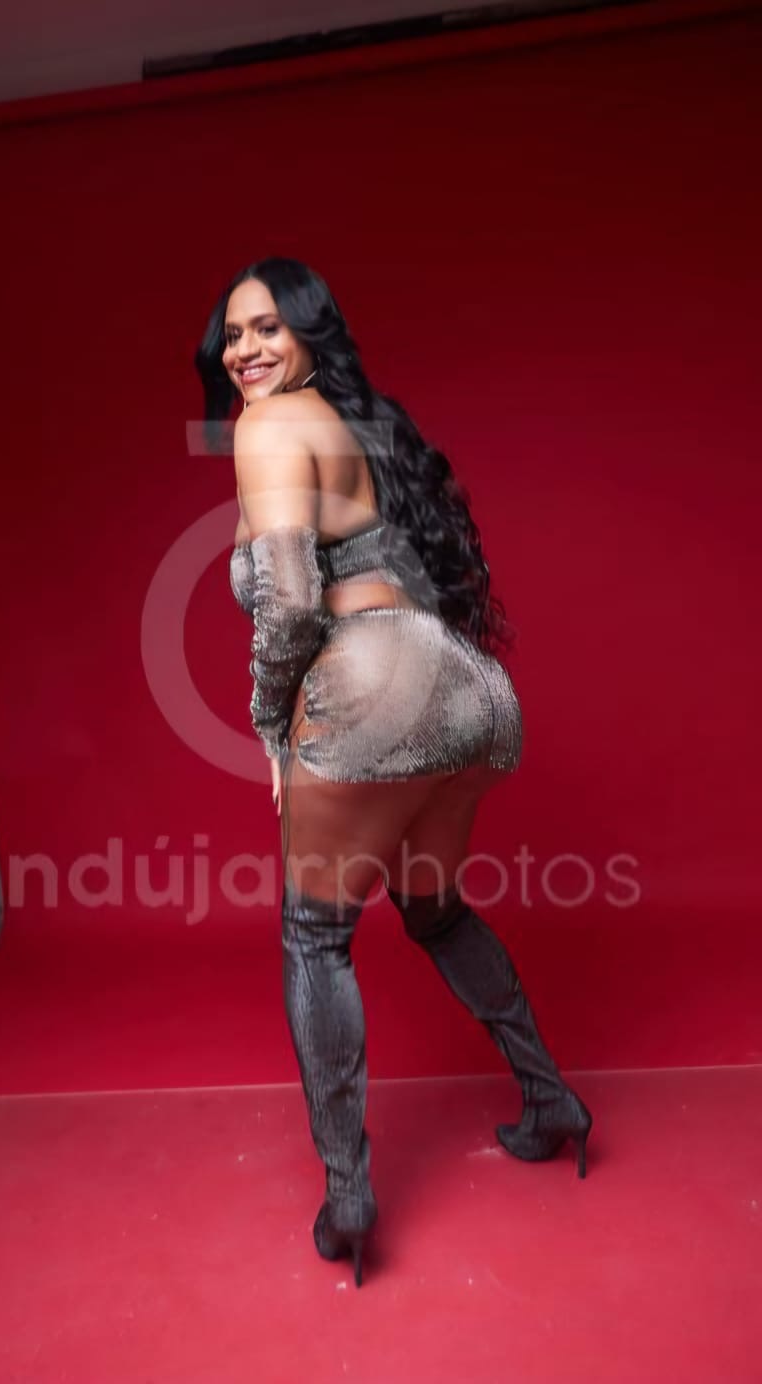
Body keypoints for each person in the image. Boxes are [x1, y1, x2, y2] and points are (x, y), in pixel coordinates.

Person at [194, 257, 591, 1289]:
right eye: (232, 333)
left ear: (309, 332)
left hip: (372, 686)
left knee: (313, 936)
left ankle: (347, 1193)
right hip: (466, 693)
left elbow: (291, 605)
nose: (246, 349)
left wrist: (269, 726)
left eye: (268, 327)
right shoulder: (362, 424)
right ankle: (551, 1099)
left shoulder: (268, 428)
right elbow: (402, 579)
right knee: (435, 912)